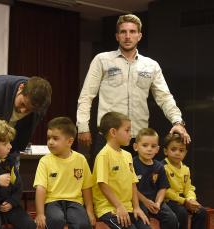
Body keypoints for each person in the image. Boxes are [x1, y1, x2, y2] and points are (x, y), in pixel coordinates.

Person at [76, 14, 190, 156]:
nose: (127, 36)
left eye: (132, 32)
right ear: (117, 36)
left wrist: (177, 122)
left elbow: (165, 98)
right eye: (123, 32)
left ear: (139, 36)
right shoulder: (102, 60)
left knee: (138, 179)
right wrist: (82, 127)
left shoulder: (151, 65)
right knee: (104, 179)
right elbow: (86, 96)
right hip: (109, 137)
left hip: (139, 139)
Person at [34, 117, 95, 229]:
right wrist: (40, 213)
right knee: (55, 219)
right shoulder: (45, 161)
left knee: (82, 224)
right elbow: (40, 188)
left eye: (55, 138)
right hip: (53, 202)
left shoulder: (81, 159)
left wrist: (90, 211)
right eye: (48, 138)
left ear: (69, 142)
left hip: (75, 202)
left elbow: (87, 187)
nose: (50, 142)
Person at [92, 112, 150, 229]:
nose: (131, 134)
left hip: (127, 207)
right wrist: (119, 206)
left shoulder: (128, 155)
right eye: (127, 130)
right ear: (113, 132)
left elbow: (133, 183)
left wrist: (137, 207)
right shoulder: (104, 155)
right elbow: (102, 184)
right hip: (108, 207)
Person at [132, 128, 178, 229]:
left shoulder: (159, 166)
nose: (149, 149)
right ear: (136, 147)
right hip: (138, 201)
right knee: (143, 223)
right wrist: (145, 201)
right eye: (145, 145)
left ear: (157, 149)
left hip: (154, 201)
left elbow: (162, 188)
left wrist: (157, 203)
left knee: (171, 219)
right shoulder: (132, 164)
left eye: (153, 146)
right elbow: (131, 187)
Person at [161, 133, 207, 229]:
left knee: (201, 211)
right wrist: (184, 201)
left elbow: (188, 187)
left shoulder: (185, 169)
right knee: (181, 212)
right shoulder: (162, 167)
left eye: (181, 150)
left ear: (185, 153)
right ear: (165, 151)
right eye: (173, 150)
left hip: (182, 200)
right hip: (167, 201)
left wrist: (191, 200)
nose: (177, 153)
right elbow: (165, 191)